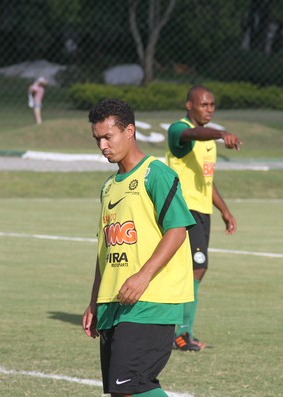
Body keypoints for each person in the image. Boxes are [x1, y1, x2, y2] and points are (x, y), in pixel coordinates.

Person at [82, 98, 196, 397]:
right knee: (124, 391)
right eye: (97, 139)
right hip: (114, 301)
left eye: (108, 136)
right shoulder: (109, 186)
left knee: (132, 387)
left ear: (129, 131)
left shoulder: (154, 173)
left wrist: (143, 276)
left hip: (149, 301)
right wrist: (95, 300)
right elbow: (104, 250)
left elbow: (177, 230)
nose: (102, 145)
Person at [166, 85, 242, 351]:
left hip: (202, 212)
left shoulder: (208, 141)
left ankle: (178, 331)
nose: (209, 109)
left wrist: (224, 210)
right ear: (189, 105)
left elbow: (207, 181)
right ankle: (181, 333)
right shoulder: (179, 130)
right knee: (197, 267)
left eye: (212, 105)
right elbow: (192, 133)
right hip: (183, 212)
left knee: (192, 270)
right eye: (203, 105)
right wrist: (221, 134)